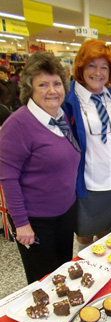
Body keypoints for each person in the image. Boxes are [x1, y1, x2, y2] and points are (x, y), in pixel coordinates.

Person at [0, 52, 81, 283]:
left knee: (62, 273)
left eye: (56, 83)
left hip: (64, 213)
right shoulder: (17, 124)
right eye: (42, 84)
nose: (52, 90)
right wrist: (22, 225)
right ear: (30, 88)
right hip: (36, 220)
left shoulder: (60, 115)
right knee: (43, 282)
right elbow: (7, 178)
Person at [63, 39, 111, 249]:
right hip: (89, 182)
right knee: (85, 237)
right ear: (81, 68)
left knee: (110, 237)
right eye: (91, 65)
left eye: (104, 67)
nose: (97, 72)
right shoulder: (70, 102)